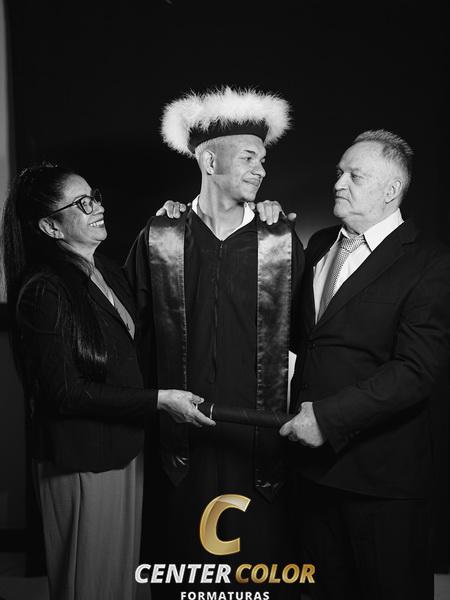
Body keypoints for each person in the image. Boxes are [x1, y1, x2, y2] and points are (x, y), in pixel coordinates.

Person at [1, 163, 214, 600]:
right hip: (82, 460)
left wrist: (172, 222)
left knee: (117, 584)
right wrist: (159, 400)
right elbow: (65, 393)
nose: (97, 207)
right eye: (82, 204)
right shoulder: (44, 289)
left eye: (94, 196)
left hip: (122, 450)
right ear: (51, 227)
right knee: (90, 585)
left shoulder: (106, 270)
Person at [125, 87, 304, 597]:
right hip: (182, 439)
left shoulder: (278, 240)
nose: (260, 170)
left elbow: (308, 339)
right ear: (208, 160)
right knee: (186, 570)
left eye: (263, 160)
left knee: (257, 572)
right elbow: (129, 335)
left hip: (258, 437)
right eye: (248, 157)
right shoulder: (160, 237)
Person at [278, 130, 450, 600]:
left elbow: (415, 371)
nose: (338, 183)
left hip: (381, 483)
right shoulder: (318, 245)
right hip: (310, 475)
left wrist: (327, 419)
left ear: (391, 190)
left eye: (355, 175)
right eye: (339, 172)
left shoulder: (431, 262)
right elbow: (301, 341)